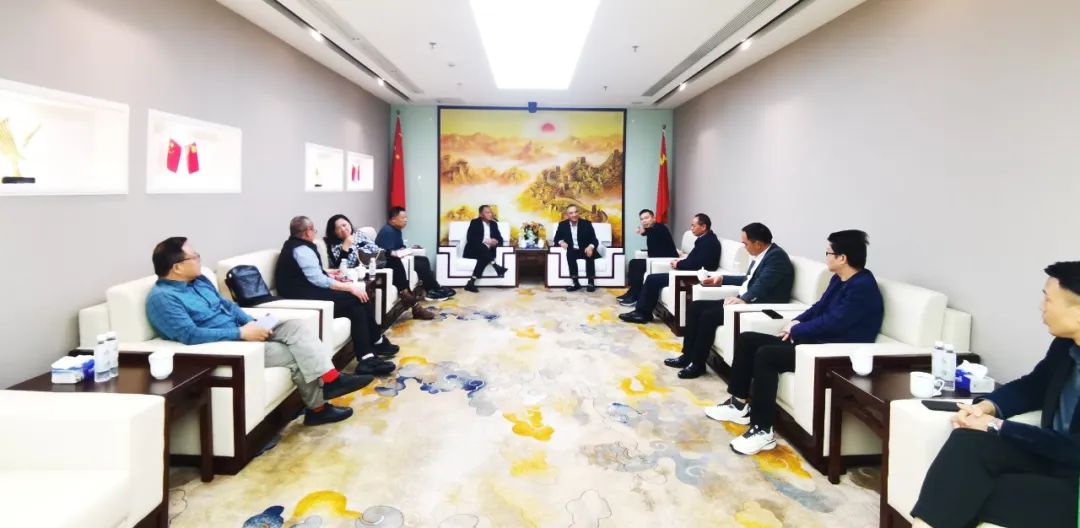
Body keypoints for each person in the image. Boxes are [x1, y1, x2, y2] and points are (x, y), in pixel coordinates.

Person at [908, 262, 1080, 528]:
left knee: (964, 491)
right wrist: (986, 408)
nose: (1041, 306)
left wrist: (997, 426)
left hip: (1075, 483)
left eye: (1048, 299)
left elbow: (1074, 448)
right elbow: (1033, 386)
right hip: (1050, 458)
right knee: (967, 442)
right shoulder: (1065, 346)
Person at [146, 237, 368, 426]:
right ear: (177, 267)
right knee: (296, 354)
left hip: (244, 329)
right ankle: (318, 409)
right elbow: (190, 335)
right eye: (194, 256)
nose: (198, 259)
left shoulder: (200, 281)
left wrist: (253, 323)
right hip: (229, 343)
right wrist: (241, 333)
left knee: (297, 327)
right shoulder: (163, 298)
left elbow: (228, 306)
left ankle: (331, 379)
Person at [707, 229, 883, 455]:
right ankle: (738, 404)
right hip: (814, 343)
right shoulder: (839, 279)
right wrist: (795, 322)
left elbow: (835, 323)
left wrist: (797, 330)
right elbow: (819, 308)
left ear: (842, 258)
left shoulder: (862, 287)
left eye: (828, 253)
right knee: (748, 340)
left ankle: (762, 430)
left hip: (832, 354)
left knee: (766, 355)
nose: (826, 257)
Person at [664, 223, 794, 379]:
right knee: (695, 306)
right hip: (744, 300)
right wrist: (722, 279)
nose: (743, 246)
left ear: (758, 244)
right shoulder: (763, 254)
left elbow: (762, 286)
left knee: (708, 315)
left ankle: (697, 365)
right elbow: (749, 279)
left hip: (757, 306)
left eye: (745, 243)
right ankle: (687, 356)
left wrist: (744, 300)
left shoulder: (776, 258)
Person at [275, 216, 398, 377]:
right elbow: (318, 280)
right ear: (308, 232)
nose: (314, 233)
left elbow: (307, 272)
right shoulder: (302, 250)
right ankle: (375, 344)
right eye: (313, 230)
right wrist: (349, 287)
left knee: (357, 306)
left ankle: (367, 357)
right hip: (303, 298)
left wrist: (329, 272)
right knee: (356, 297)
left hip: (304, 291)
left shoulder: (293, 245)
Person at [324, 214, 437, 321]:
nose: (343, 229)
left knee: (395, 261)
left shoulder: (358, 234)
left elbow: (376, 248)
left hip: (375, 261)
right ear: (334, 232)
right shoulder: (334, 245)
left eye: (344, 225)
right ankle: (413, 304)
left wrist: (391, 253)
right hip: (362, 270)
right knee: (394, 264)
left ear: (349, 223)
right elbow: (339, 267)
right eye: (338, 228)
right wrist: (346, 246)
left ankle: (408, 297)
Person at [619, 213, 722, 323]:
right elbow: (695, 260)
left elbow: (700, 264)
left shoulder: (709, 242)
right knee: (651, 277)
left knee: (652, 279)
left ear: (703, 227)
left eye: (693, 225)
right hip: (687, 272)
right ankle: (641, 311)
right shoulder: (705, 238)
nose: (691, 228)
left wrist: (679, 264)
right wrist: (681, 262)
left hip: (692, 276)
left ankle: (642, 314)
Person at [374, 207, 455, 301]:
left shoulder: (396, 229)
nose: (406, 220)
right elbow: (385, 252)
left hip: (400, 258)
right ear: (393, 219)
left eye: (406, 217)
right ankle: (431, 290)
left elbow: (399, 246)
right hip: (392, 262)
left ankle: (434, 287)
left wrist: (405, 250)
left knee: (423, 260)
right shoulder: (387, 231)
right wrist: (399, 253)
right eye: (403, 218)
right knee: (420, 264)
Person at [617, 209, 679, 307]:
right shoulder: (652, 229)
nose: (644, 221)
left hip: (665, 260)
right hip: (654, 259)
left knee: (638, 265)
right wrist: (644, 232)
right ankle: (632, 292)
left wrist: (644, 231)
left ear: (653, 218)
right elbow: (649, 231)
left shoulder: (661, 227)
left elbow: (654, 230)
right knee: (633, 262)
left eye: (646, 218)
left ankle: (636, 297)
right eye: (642, 219)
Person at [552, 204, 601, 292]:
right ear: (567, 215)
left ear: (578, 213)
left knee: (590, 254)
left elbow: (594, 239)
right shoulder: (562, 225)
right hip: (573, 250)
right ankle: (575, 283)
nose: (574, 215)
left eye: (575, 212)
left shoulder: (587, 224)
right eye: (571, 213)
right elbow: (556, 238)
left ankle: (591, 282)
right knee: (570, 254)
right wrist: (561, 242)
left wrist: (590, 247)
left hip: (585, 249)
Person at [462, 204, 508, 293]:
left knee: (484, 257)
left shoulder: (494, 224)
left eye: (491, 212)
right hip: (473, 250)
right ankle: (495, 265)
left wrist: (496, 242)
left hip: (487, 252)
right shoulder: (475, 222)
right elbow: (470, 238)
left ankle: (471, 283)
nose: (490, 214)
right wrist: (486, 240)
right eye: (487, 212)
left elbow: (500, 239)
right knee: (482, 246)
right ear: (481, 214)